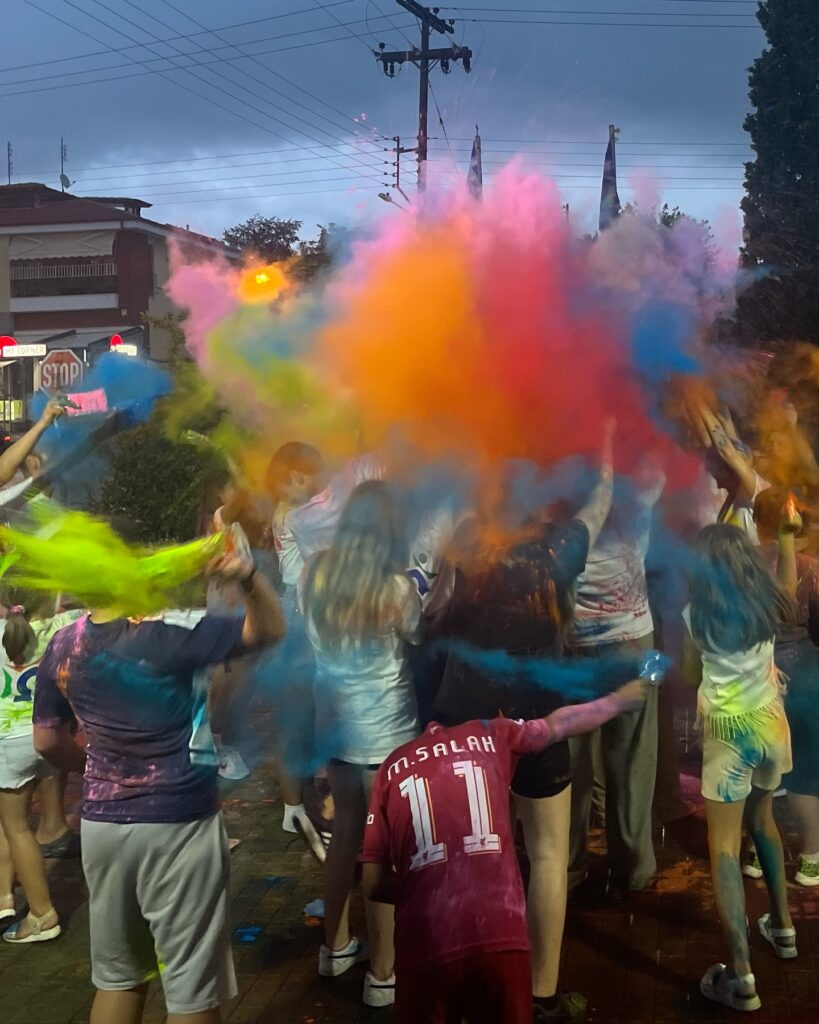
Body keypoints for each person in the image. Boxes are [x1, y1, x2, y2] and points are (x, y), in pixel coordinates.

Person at [32, 551, 285, 1024]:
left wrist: (94, 768)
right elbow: (269, 630)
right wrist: (248, 577)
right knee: (191, 990)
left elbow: (46, 740)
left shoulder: (64, 644)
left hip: (103, 827)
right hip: (179, 823)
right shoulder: (169, 634)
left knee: (119, 978)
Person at [432, 426, 614, 1023]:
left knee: (469, 856)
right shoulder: (557, 548)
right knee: (550, 855)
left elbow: (434, 609)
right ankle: (541, 995)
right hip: (537, 718)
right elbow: (601, 500)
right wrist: (606, 445)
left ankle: (471, 987)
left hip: (465, 716)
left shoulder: (465, 541)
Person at [361, 677, 650, 1024]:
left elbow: (372, 883)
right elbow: (559, 724)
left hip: (425, 947)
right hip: (501, 938)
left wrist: (429, 890)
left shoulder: (390, 768)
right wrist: (618, 701)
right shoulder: (491, 734)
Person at [299, 479, 422, 1008]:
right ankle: (383, 971)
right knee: (382, 850)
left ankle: (334, 947)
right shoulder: (395, 588)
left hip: (336, 727)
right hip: (387, 732)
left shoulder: (314, 573)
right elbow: (417, 635)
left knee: (345, 837)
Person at [682, 524, 795, 1013]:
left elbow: (690, 672)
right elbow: (788, 591)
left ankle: (742, 976)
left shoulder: (695, 614)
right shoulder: (764, 602)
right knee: (764, 822)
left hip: (729, 733)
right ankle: (784, 928)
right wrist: (787, 536)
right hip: (771, 723)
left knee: (725, 848)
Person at [568, 456, 664, 895]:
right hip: (634, 641)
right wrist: (610, 442)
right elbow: (659, 460)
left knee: (571, 757)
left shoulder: (560, 507)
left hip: (572, 644)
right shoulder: (641, 491)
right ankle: (634, 868)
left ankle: (567, 865)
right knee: (634, 756)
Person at [0, 589, 83, 942]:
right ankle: (4, 899)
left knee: (15, 827)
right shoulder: (67, 625)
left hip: (8, 744)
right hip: (48, 736)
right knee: (11, 825)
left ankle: (41, 913)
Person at [755, 488, 819, 887]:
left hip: (757, 674)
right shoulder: (811, 568)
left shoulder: (743, 566)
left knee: (760, 770)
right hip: (806, 674)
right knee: (806, 770)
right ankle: (811, 859)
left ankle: (757, 854)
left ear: (756, 521)